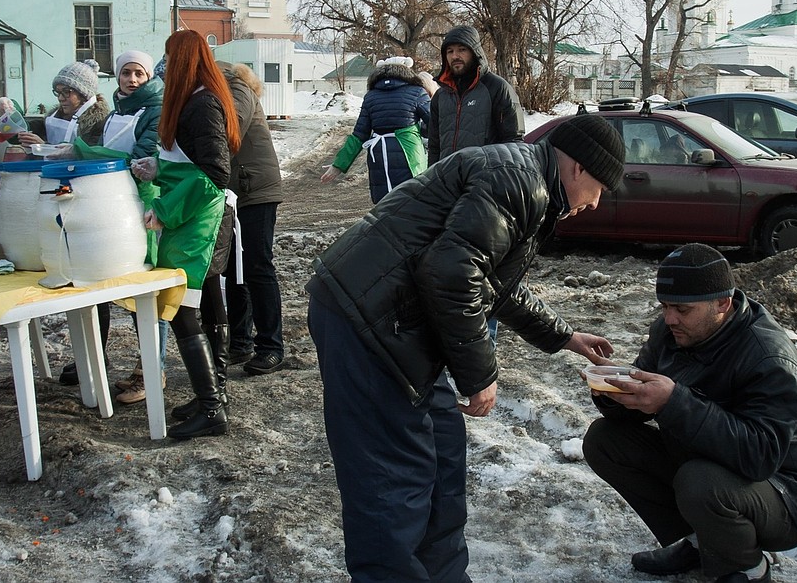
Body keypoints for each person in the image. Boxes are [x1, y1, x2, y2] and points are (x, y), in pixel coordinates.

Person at [306, 114, 623, 581]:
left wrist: (565, 337)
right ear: (578, 167)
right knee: (391, 483)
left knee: (443, 457)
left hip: (398, 324)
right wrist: (480, 376)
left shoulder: (528, 183)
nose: (596, 203)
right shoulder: (521, 183)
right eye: (600, 188)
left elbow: (492, 282)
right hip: (368, 323)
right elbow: (452, 273)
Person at [582, 244, 797, 583]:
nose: (670, 318)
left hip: (789, 494)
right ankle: (701, 541)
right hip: (709, 465)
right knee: (606, 440)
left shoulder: (767, 357)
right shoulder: (671, 332)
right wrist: (617, 392)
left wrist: (672, 402)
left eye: (682, 309)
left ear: (722, 303)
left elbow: (761, 456)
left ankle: (746, 568)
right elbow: (643, 399)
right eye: (665, 307)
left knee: (700, 482)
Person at [135, 30, 238, 440]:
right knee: (209, 305)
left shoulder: (201, 103)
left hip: (200, 223)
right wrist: (160, 170)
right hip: (204, 219)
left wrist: (163, 208)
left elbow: (215, 172)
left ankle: (212, 407)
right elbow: (199, 163)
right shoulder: (201, 100)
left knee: (184, 309)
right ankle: (214, 396)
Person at [58, 49, 172, 404]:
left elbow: (139, 156)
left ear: (149, 76)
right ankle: (145, 367)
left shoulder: (156, 108)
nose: (132, 79)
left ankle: (153, 371)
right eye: (126, 73)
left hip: (145, 201)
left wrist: (80, 152)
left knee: (148, 288)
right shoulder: (118, 110)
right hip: (117, 201)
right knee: (131, 288)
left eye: (139, 73)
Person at [213, 61, 287, 379]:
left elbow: (228, 135)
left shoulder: (237, 90)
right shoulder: (219, 92)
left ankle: (271, 347)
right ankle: (240, 343)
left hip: (255, 190)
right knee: (233, 268)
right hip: (234, 192)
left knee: (257, 266)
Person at [321, 56, 430, 204]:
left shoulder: (371, 96)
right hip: (408, 152)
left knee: (384, 201)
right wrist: (421, 131)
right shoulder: (417, 92)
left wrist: (338, 165)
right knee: (412, 197)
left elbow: (359, 134)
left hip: (378, 153)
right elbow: (435, 122)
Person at [426, 24, 525, 166]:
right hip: (447, 182)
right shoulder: (440, 96)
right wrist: (432, 180)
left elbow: (514, 142)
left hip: (485, 182)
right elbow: (434, 146)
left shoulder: (497, 88)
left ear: (475, 52)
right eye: (450, 51)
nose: (455, 56)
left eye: (462, 50)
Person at [18, 59, 110, 148]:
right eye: (58, 92)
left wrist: (44, 146)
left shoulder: (99, 124)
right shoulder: (54, 117)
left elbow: (86, 155)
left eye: (66, 92)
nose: (60, 98)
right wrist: (11, 112)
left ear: (83, 95)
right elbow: (23, 131)